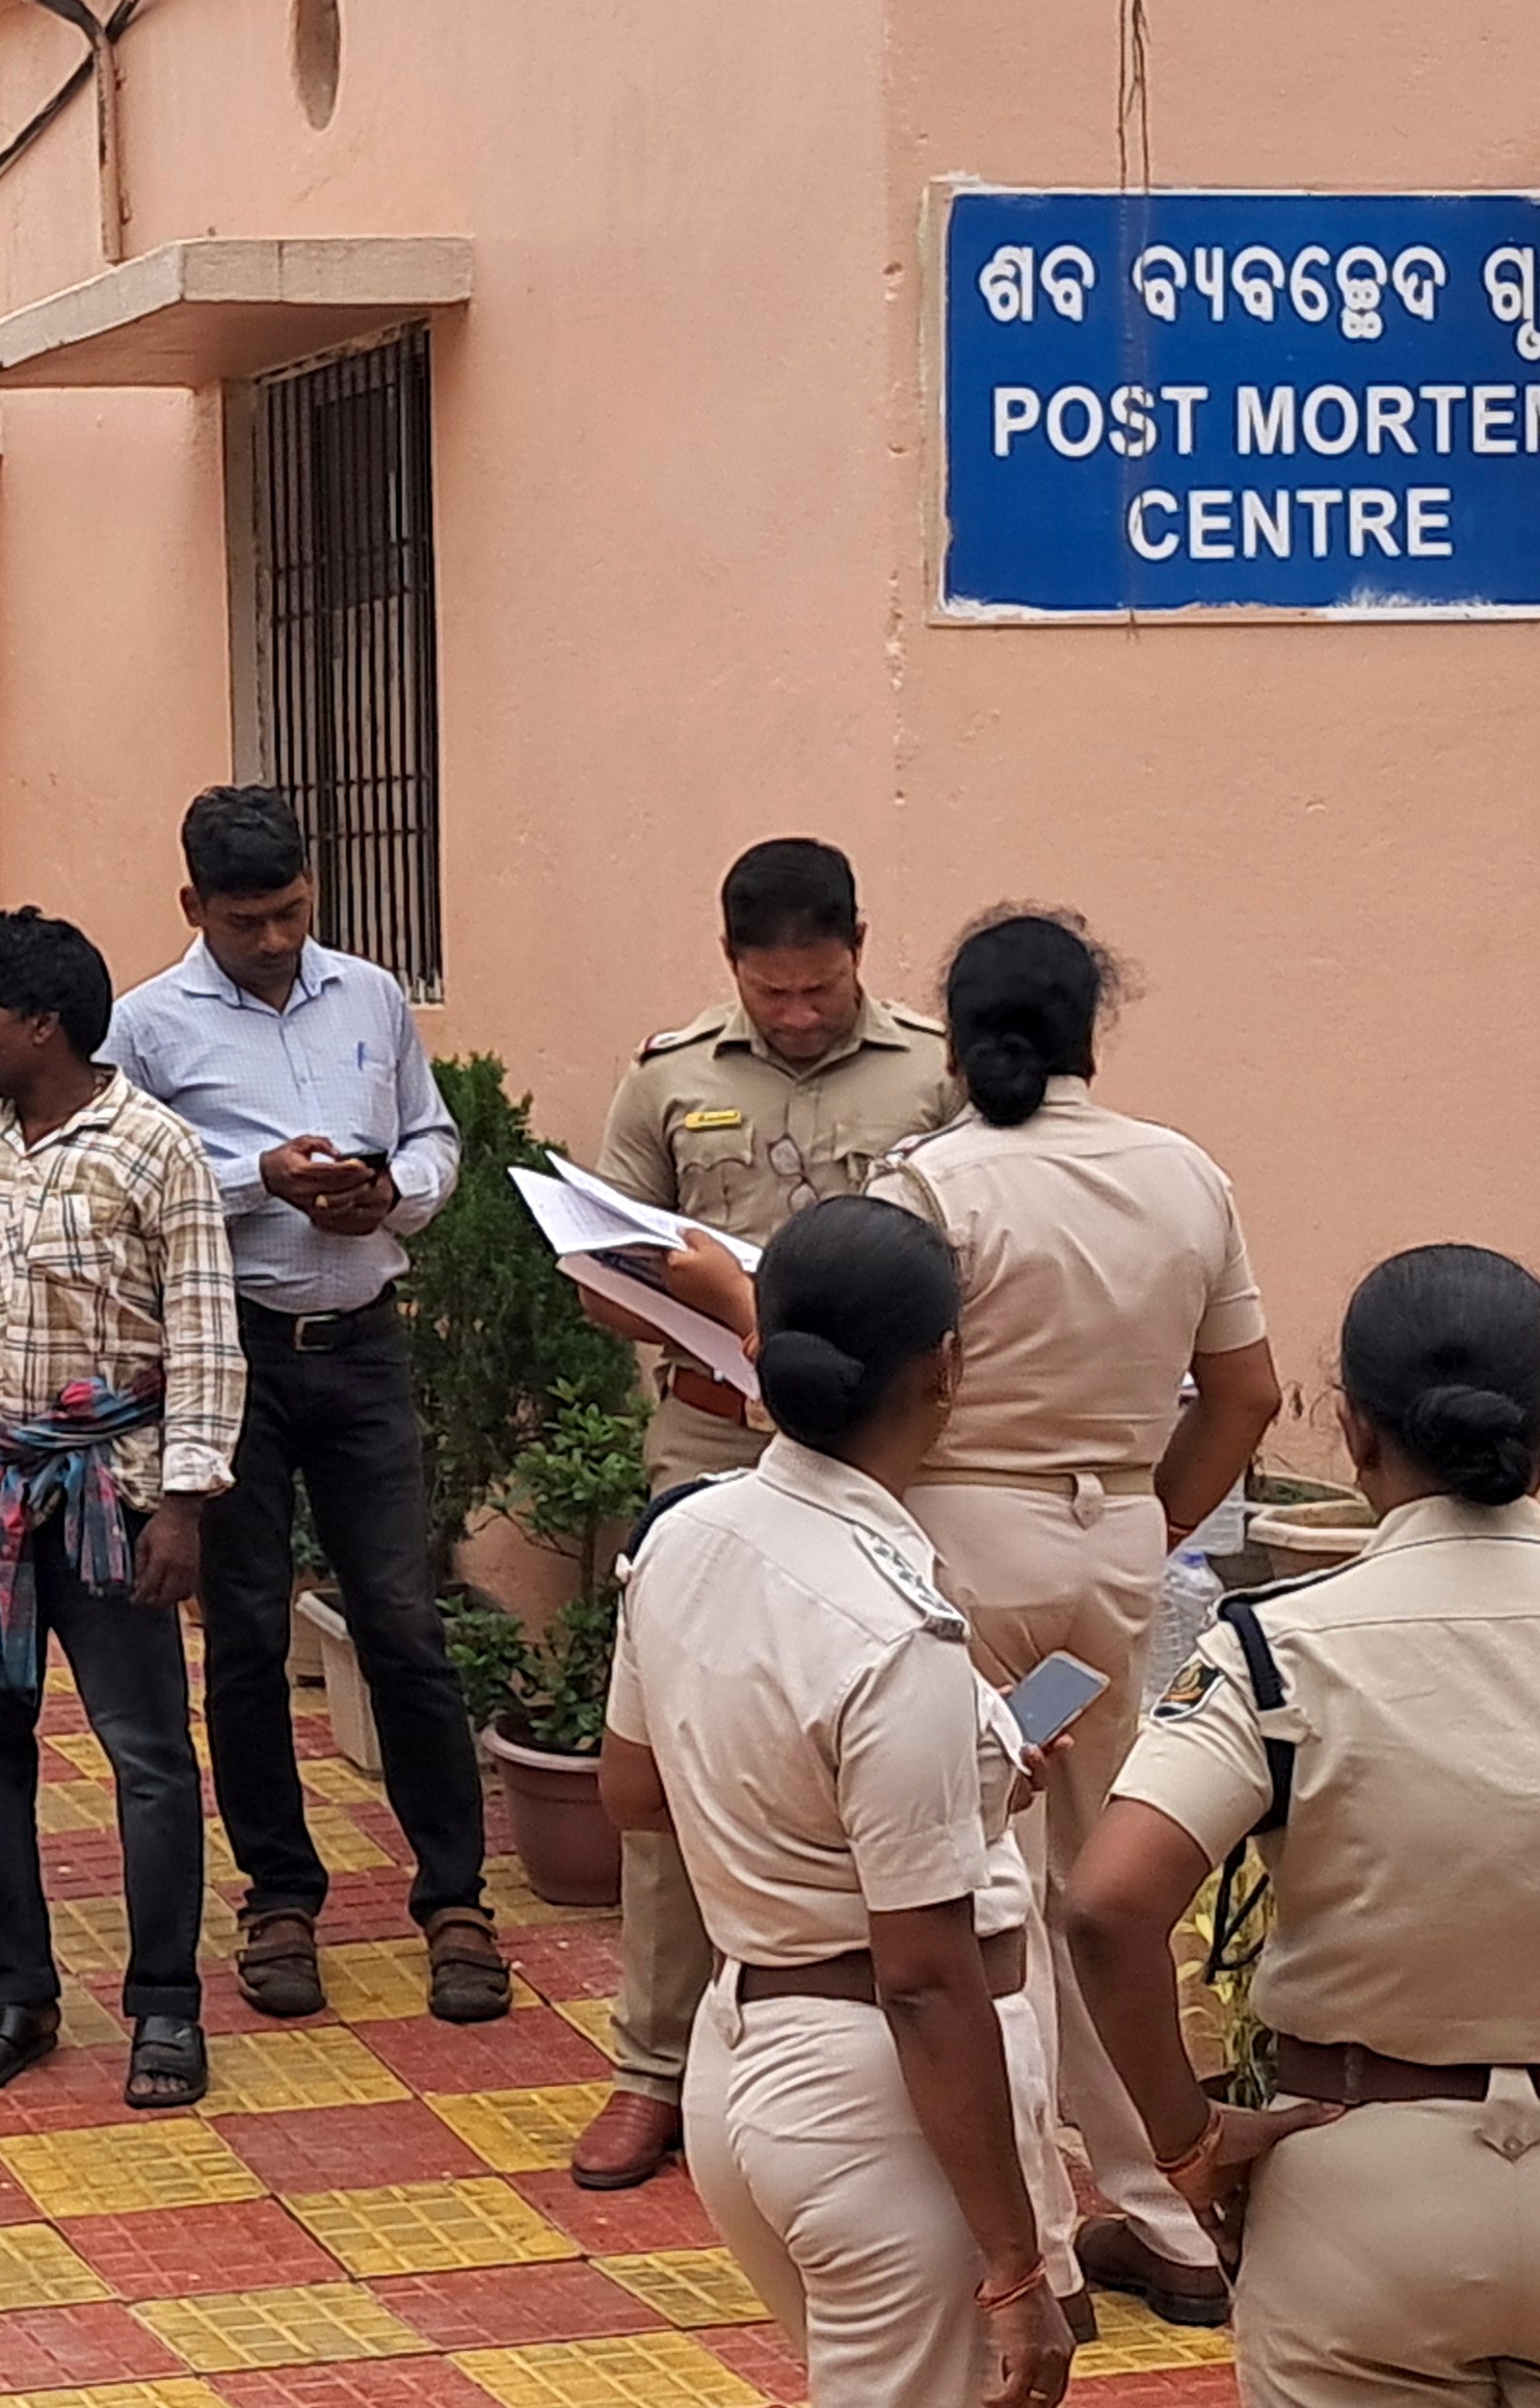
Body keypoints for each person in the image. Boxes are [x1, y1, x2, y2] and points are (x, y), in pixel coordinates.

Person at [666, 907, 1281, 2328]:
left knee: (982, 1892)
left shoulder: (934, 1187)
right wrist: (1144, 1526)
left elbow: (856, 1370)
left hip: (948, 1562)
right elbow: (1241, 1394)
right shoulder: (1184, 1173)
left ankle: (1041, 2238)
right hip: (1105, 1564)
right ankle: (1169, 2214)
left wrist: (724, 1301)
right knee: (1094, 1880)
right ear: (1088, 1028)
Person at [1067, 1243, 1540, 2406]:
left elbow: (1104, 1904)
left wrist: (1183, 2140)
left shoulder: (1270, 1644)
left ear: (1350, 1428)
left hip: (1356, 2184)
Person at [601, 1198, 1071, 2408]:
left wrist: (954, 1782)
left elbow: (633, 1788)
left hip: (741, 2058)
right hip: (882, 2108)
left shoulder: (684, 1533)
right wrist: (1016, 2266)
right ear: (942, 1370)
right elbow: (924, 1976)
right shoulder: (894, 1630)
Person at [571, 837, 962, 2192]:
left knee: (887, 1748)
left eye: (819, 987)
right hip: (703, 1446)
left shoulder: (935, 1071)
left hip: (892, 1458)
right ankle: (649, 2066)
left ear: (858, 942)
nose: (796, 1015)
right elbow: (595, 1270)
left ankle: (904, 2041)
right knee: (685, 1758)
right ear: (729, 962)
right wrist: (678, 1300)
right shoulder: (671, 1072)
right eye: (770, 992)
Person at [105, 785, 505, 2026]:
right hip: (235, 1358)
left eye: (289, 910)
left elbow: (434, 1140)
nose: (274, 939)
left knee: (401, 1623)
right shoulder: (146, 1026)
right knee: (244, 1635)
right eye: (245, 919)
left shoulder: (372, 996)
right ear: (193, 907)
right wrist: (255, 1179)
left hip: (365, 1347)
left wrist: (389, 1192)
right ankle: (278, 1893)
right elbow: (123, 1185)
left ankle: (454, 1897)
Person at [0, 908, 243, 2109]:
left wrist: (183, 1505)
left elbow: (202, 1334)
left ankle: (164, 2008)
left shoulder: (154, 1152)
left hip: (112, 1501)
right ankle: (16, 1995)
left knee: (145, 1756)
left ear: (42, 1023)